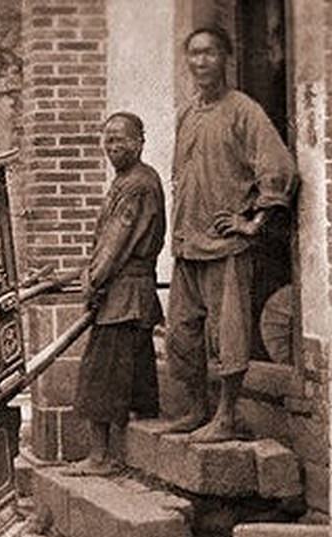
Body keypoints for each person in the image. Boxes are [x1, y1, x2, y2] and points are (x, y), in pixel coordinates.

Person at [162, 26, 297, 442]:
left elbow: (279, 169)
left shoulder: (244, 110)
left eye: (210, 54)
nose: (201, 62)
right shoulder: (188, 113)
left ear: (226, 59)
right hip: (188, 243)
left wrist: (252, 222)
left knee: (229, 334)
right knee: (182, 334)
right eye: (194, 54)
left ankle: (227, 416)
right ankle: (197, 408)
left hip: (226, 246)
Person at [66, 112, 166, 476]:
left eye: (121, 139)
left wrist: (93, 280)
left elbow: (116, 244)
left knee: (101, 373)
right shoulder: (127, 180)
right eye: (108, 140)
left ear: (140, 141)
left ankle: (101, 457)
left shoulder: (138, 184)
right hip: (130, 291)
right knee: (136, 370)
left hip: (125, 293)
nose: (113, 147)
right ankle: (132, 455)